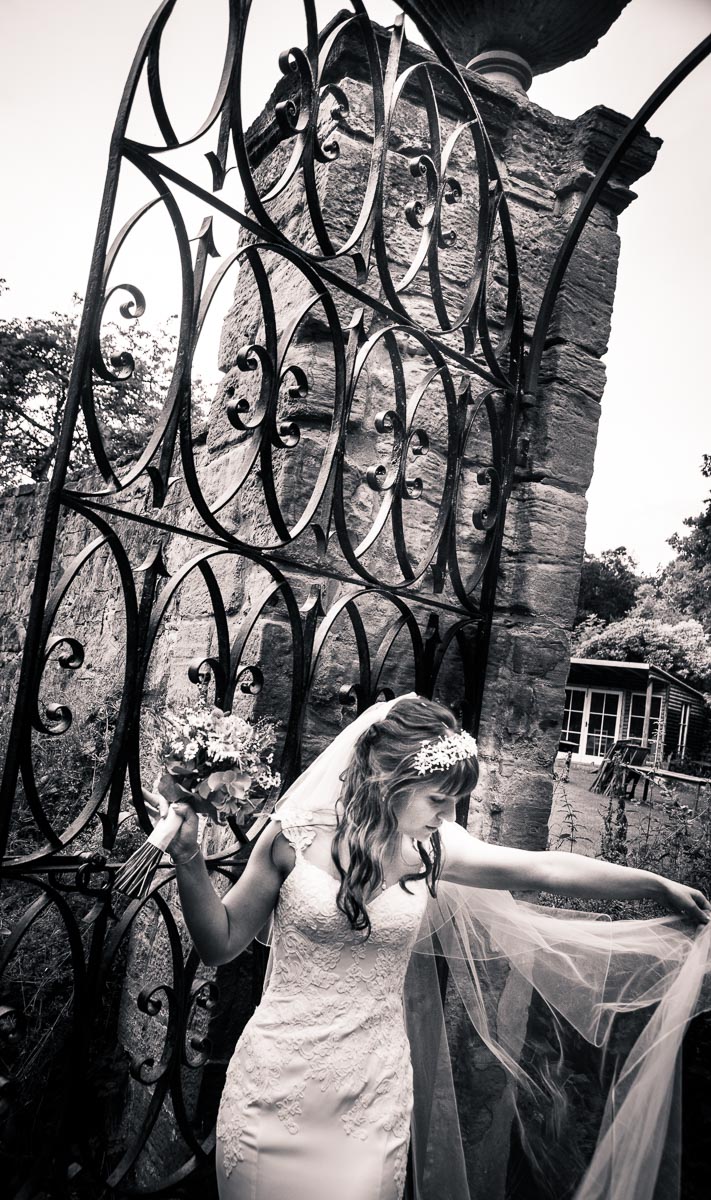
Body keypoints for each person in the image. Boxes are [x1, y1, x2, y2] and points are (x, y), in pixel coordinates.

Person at [146, 693, 711, 1200]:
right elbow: (220, 944)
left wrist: (653, 885)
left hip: (372, 1093)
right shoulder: (293, 837)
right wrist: (191, 860)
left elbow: (546, 869)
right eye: (438, 799)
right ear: (386, 779)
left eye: (455, 804)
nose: (448, 817)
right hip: (275, 1081)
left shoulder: (436, 851)